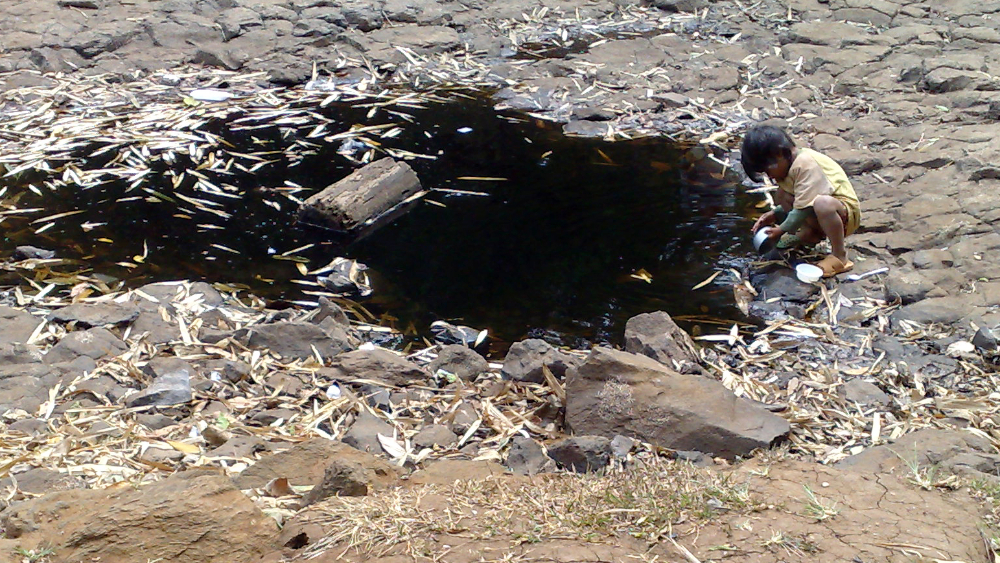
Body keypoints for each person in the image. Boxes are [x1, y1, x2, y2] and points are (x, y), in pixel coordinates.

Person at [740, 125, 861, 277]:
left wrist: (781, 229)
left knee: (822, 204)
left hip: (843, 215)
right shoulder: (787, 167)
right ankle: (810, 233)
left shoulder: (805, 164)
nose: (770, 177)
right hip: (815, 211)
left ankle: (839, 256)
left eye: (768, 170)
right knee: (782, 194)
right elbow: (800, 200)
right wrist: (775, 214)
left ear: (778, 155)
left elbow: (802, 209)